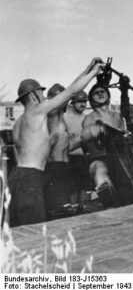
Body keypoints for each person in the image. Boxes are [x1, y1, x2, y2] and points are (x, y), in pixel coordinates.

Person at [8, 58, 105, 227]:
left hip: (16, 176)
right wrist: (94, 72)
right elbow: (71, 92)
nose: (44, 97)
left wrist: (87, 68)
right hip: (31, 178)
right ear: (33, 96)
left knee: (18, 229)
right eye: (41, 93)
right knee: (34, 229)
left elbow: (69, 90)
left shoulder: (18, 123)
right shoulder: (37, 112)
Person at [81, 84, 124, 208]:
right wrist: (97, 130)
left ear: (109, 96)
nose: (100, 93)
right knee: (100, 169)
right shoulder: (90, 118)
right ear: (91, 99)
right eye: (96, 92)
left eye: (102, 91)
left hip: (119, 159)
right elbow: (84, 138)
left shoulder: (117, 116)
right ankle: (107, 200)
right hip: (99, 159)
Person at [42, 84, 78, 217]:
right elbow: (47, 143)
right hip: (55, 168)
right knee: (59, 210)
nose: (66, 103)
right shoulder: (50, 118)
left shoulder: (61, 118)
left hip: (65, 167)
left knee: (69, 208)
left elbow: (63, 144)